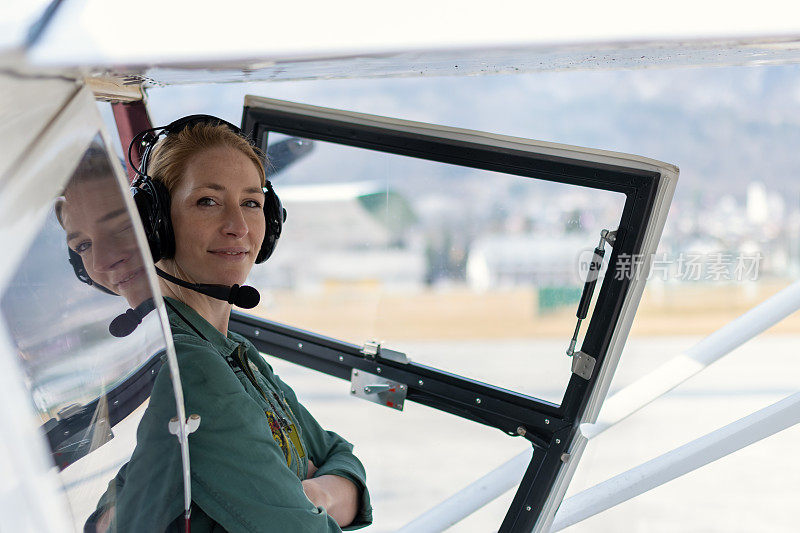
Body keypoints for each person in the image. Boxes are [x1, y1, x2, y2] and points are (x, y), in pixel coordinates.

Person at [88, 119, 372, 532]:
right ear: (156, 223)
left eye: (252, 203)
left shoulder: (233, 351)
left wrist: (313, 496)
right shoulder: (190, 364)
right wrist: (314, 491)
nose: (238, 226)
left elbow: (341, 455)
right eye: (207, 201)